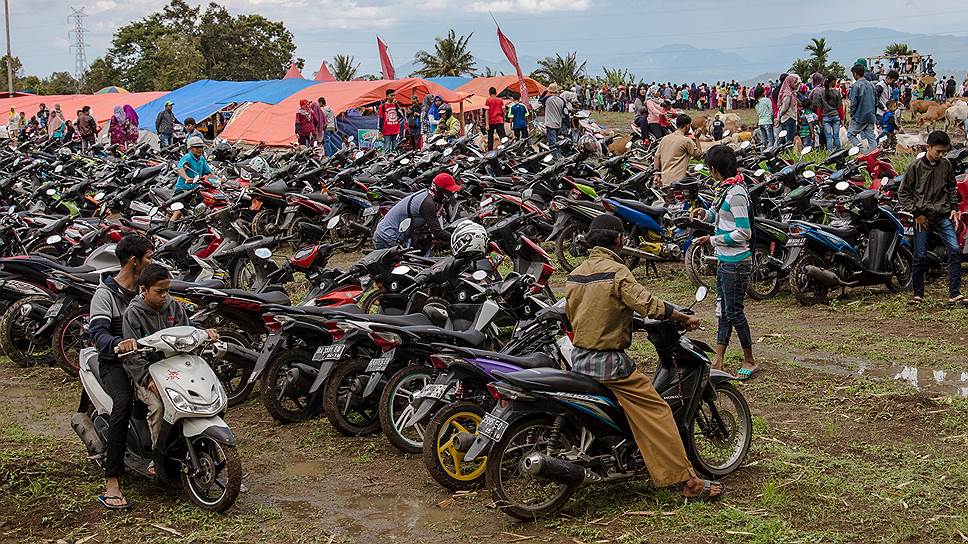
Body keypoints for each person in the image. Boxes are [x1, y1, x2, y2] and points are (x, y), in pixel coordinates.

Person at [564, 213, 723, 501]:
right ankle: (688, 482)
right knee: (658, 412)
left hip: (580, 360)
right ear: (619, 239)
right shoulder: (616, 271)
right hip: (610, 365)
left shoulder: (576, 275)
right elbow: (646, 302)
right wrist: (680, 316)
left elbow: (588, 314)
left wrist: (626, 322)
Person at [120, 264, 218, 465]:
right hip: (148, 375)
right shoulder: (133, 313)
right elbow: (132, 356)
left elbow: (188, 330)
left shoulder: (174, 307)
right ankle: (158, 458)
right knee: (158, 407)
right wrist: (147, 379)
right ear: (144, 290)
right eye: (159, 291)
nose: (165, 296)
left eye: (167, 290)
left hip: (177, 370)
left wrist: (204, 334)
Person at [89, 234, 154, 510]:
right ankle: (112, 480)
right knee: (124, 403)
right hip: (114, 363)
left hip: (143, 360)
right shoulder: (105, 295)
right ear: (133, 260)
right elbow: (98, 335)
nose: (152, 262)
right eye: (149, 258)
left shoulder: (147, 292)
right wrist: (119, 343)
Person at [690, 145, 757, 379]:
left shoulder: (737, 193)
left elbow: (743, 232)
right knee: (723, 311)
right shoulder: (726, 190)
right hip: (725, 259)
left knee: (734, 312)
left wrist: (713, 239)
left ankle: (749, 359)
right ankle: (719, 358)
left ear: (715, 169)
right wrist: (705, 215)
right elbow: (721, 218)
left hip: (736, 262)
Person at [899, 130, 963, 305]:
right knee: (919, 256)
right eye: (938, 151)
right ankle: (917, 295)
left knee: (955, 251)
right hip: (923, 217)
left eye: (944, 151)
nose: (941, 155)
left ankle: (954, 294)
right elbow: (903, 193)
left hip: (943, 215)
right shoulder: (915, 167)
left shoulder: (947, 165)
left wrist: (954, 208)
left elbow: (951, 187)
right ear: (928, 147)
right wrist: (916, 213)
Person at [372, 173, 460, 250]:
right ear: (439, 189)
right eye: (448, 192)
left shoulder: (429, 195)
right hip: (386, 239)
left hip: (393, 236)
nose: (450, 195)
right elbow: (438, 232)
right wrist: (457, 238)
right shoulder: (428, 203)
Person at [653, 113, 701, 188]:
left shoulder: (665, 138)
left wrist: (656, 175)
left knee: (668, 199)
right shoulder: (686, 141)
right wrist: (697, 138)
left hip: (665, 182)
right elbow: (698, 156)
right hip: (679, 184)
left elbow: (656, 157)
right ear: (687, 126)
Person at [847, 64, 877, 150]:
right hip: (870, 115)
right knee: (871, 137)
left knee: (850, 134)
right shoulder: (871, 85)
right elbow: (876, 101)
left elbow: (853, 103)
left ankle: (862, 151)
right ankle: (873, 154)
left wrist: (852, 114)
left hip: (859, 116)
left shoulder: (856, 86)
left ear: (855, 74)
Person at [818, 78, 843, 151]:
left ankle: (830, 154)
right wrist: (842, 118)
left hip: (826, 117)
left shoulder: (821, 93)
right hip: (836, 116)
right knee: (836, 136)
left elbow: (819, 108)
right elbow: (840, 106)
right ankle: (839, 152)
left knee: (828, 137)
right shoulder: (837, 92)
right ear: (832, 82)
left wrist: (819, 119)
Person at [542, 83, 566, 159]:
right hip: (558, 123)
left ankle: (555, 158)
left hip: (550, 124)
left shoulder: (547, 99)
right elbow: (565, 112)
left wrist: (545, 92)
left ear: (549, 91)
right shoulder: (561, 100)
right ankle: (558, 155)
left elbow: (540, 100)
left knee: (552, 142)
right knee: (557, 141)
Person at [776, 74, 800, 146]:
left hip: (786, 118)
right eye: (795, 82)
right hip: (789, 118)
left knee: (786, 138)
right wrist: (779, 116)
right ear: (790, 82)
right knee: (789, 139)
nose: (796, 85)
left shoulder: (790, 92)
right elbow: (784, 108)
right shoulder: (788, 94)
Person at [377, 89, 403, 155]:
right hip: (387, 131)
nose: (393, 97)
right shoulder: (382, 107)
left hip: (396, 130)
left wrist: (397, 105)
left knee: (395, 149)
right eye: (391, 95)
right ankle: (386, 163)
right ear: (387, 96)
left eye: (394, 95)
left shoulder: (395, 105)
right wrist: (380, 131)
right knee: (387, 149)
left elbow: (401, 115)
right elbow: (380, 119)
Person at [484, 86, 507, 151]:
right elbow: (503, 112)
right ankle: (505, 151)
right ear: (496, 93)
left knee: (490, 138)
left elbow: (487, 112)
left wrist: (487, 124)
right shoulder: (500, 100)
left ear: (489, 93)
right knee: (503, 138)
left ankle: (490, 153)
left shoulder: (488, 100)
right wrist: (503, 120)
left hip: (491, 122)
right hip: (499, 121)